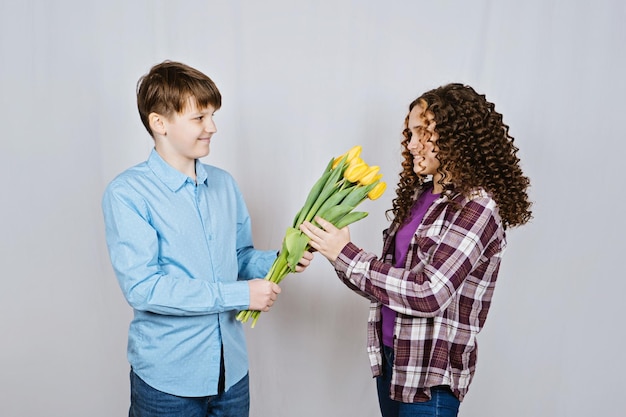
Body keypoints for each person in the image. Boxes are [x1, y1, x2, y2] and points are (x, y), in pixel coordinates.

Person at [300, 83, 532, 417]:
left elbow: (429, 293)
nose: (411, 145)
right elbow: (388, 286)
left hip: (431, 377)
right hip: (393, 359)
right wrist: (335, 252)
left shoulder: (478, 208)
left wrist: (347, 253)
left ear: (457, 136)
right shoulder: (420, 197)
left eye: (423, 133)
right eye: (410, 134)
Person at [102, 60, 313, 417]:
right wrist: (240, 294)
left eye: (212, 115)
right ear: (159, 123)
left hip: (231, 377)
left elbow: (239, 257)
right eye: (199, 118)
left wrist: (283, 259)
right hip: (167, 384)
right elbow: (143, 288)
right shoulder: (127, 193)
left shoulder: (224, 184)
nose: (212, 127)